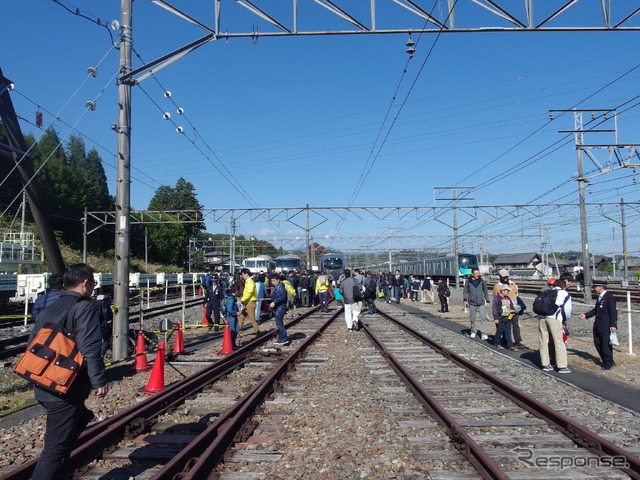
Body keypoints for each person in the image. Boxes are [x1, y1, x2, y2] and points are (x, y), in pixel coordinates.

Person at [28, 264, 109, 480]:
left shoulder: (50, 307)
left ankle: (60, 472)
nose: (92, 288)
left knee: (82, 417)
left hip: (42, 381)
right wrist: (99, 381)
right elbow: (91, 347)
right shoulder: (84, 308)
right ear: (85, 283)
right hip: (63, 386)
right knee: (54, 449)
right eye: (92, 283)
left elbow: (32, 343)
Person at [578, 281, 617, 370]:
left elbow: (613, 312)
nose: (593, 289)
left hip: (606, 325)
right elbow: (596, 310)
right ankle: (605, 360)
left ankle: (608, 362)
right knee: (597, 342)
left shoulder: (609, 297)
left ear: (600, 287)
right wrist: (586, 315)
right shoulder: (600, 297)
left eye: (595, 287)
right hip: (598, 324)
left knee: (605, 344)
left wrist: (613, 325)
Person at [538, 278, 571, 374]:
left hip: (541, 317)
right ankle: (561, 366)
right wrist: (564, 320)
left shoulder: (546, 292)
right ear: (564, 286)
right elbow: (567, 310)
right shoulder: (564, 293)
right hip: (554, 318)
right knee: (558, 341)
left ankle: (545, 364)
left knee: (543, 340)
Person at [492, 269, 522, 346]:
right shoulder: (497, 286)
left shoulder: (513, 284)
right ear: (500, 276)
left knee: (515, 324)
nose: (505, 278)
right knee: (504, 325)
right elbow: (496, 298)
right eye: (504, 276)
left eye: (507, 276)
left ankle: (517, 341)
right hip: (503, 311)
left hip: (513, 309)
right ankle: (505, 341)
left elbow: (516, 295)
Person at [463, 269, 490, 338]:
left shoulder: (482, 281)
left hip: (481, 303)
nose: (478, 274)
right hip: (472, 303)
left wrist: (487, 301)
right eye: (476, 273)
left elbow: (485, 292)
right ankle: (473, 331)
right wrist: (465, 300)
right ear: (472, 274)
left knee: (483, 318)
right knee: (472, 319)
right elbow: (465, 291)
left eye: (478, 273)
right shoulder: (468, 281)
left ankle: (483, 333)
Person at [492, 284, 518, 351]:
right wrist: (496, 318)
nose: (508, 292)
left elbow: (511, 306)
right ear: (502, 291)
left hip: (508, 318)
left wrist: (512, 312)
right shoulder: (497, 298)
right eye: (507, 290)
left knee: (508, 332)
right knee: (499, 331)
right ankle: (497, 343)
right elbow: (494, 308)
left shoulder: (508, 298)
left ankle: (510, 345)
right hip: (500, 318)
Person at [238, 269, 261, 337]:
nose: (242, 276)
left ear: (246, 274)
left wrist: (242, 300)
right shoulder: (248, 282)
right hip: (248, 302)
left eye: (243, 274)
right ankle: (238, 331)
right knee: (241, 317)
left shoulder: (250, 282)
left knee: (252, 319)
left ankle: (258, 332)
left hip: (250, 303)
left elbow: (249, 293)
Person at [269, 274, 289, 346]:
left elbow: (282, 297)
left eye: (274, 281)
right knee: (279, 323)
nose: (272, 282)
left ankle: (284, 338)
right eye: (272, 281)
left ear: (278, 280)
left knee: (279, 323)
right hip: (278, 307)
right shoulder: (277, 287)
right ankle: (281, 338)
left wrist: (274, 302)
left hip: (280, 307)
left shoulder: (281, 287)